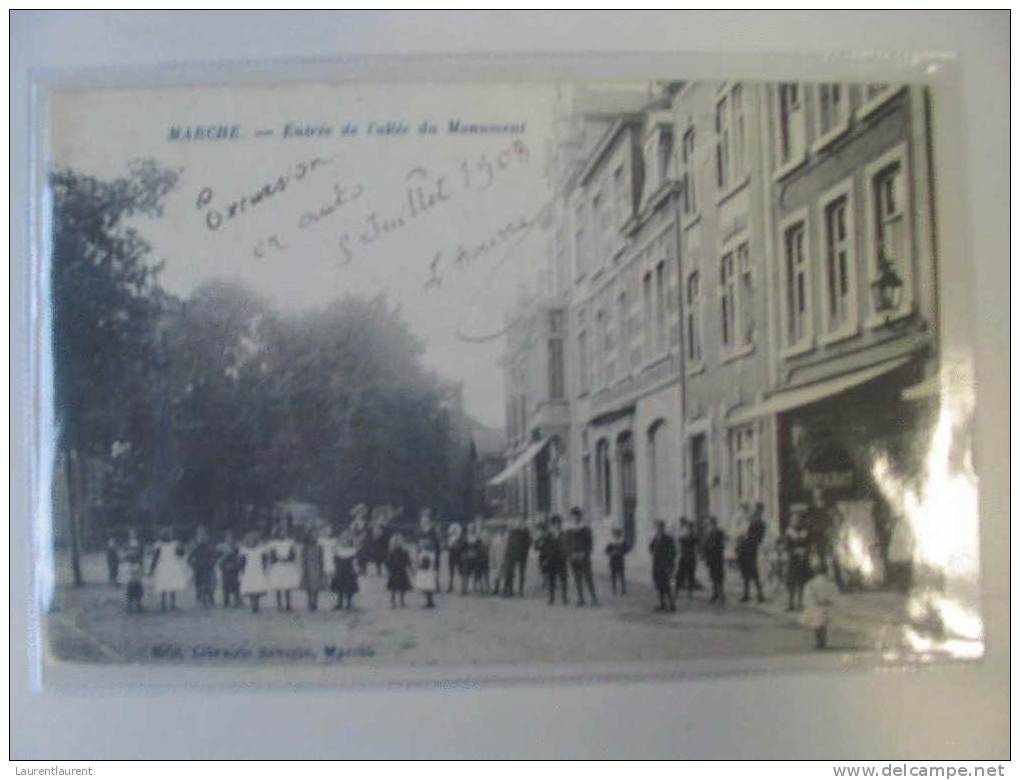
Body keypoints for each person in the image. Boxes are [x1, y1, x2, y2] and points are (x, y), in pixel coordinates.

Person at [801, 554, 839, 650]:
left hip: (816, 607)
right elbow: (834, 594)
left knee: (817, 626)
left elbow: (808, 596)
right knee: (824, 625)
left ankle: (819, 642)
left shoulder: (810, 584)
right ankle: (823, 642)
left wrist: (811, 604)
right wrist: (830, 601)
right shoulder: (830, 583)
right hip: (826, 606)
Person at [565, 507, 599, 606]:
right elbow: (566, 544)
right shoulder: (568, 530)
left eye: (577, 516)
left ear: (580, 517)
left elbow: (590, 544)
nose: (575, 518)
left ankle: (593, 598)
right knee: (577, 578)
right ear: (571, 517)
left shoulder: (585, 529)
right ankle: (580, 598)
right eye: (573, 516)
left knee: (588, 577)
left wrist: (585, 553)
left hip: (584, 557)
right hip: (573, 558)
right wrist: (570, 555)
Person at [149, 527, 188, 611]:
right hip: (168, 566)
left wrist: (152, 569)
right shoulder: (161, 545)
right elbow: (155, 558)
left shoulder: (172, 544)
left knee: (169, 585)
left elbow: (181, 554)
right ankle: (168, 604)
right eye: (165, 534)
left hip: (167, 566)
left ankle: (168, 604)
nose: (167, 536)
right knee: (167, 585)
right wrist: (152, 568)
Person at [535, 515, 569, 605]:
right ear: (552, 525)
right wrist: (545, 558)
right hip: (551, 560)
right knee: (551, 580)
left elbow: (567, 547)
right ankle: (551, 598)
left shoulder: (564, 534)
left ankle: (565, 598)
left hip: (562, 560)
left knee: (563, 579)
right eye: (555, 524)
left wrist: (566, 555)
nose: (557, 525)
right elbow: (541, 548)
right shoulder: (548, 536)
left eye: (559, 523)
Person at [738, 502, 767, 604]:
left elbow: (759, 537)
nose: (755, 512)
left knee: (754, 572)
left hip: (752, 548)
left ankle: (760, 594)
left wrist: (748, 537)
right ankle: (746, 594)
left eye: (757, 510)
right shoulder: (749, 520)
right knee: (746, 571)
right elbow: (742, 531)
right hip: (745, 547)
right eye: (754, 510)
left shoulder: (760, 523)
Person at [268, 523, 300, 611]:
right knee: (278, 585)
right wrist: (278, 558)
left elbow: (293, 555)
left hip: (288, 566)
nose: (282, 534)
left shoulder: (290, 543)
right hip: (278, 566)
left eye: (284, 532)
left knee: (287, 585)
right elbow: (271, 556)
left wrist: (288, 558)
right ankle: (279, 605)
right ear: (277, 533)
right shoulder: (273, 544)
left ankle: (288, 604)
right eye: (280, 532)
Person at [785, 512, 811, 612]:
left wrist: (805, 551)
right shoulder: (789, 531)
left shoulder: (805, 531)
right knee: (791, 581)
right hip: (793, 558)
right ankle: (790, 603)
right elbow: (787, 545)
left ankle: (800, 603)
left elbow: (808, 543)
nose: (796, 521)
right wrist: (794, 551)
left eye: (798, 519)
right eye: (794, 519)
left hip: (803, 558)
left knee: (801, 582)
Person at [649, 520, 677, 612]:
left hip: (665, 565)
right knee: (658, 585)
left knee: (666, 586)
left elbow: (673, 552)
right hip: (656, 565)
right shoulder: (656, 537)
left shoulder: (668, 538)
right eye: (657, 527)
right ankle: (662, 604)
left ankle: (672, 604)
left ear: (663, 528)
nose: (658, 529)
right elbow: (651, 547)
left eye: (660, 527)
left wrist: (670, 566)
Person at [239, 530, 270, 613]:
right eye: (249, 540)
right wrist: (242, 570)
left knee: (257, 588)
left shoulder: (260, 550)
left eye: (253, 540)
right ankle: (253, 605)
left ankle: (256, 604)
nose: (251, 541)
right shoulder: (244, 551)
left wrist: (264, 568)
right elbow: (242, 562)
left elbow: (265, 559)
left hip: (258, 570)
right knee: (250, 588)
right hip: (249, 571)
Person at [187, 526, 218, 608]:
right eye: (199, 534)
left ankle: (210, 598)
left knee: (210, 584)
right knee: (199, 584)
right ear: (196, 535)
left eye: (203, 534)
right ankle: (199, 598)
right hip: (198, 568)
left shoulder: (210, 544)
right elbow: (190, 557)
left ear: (207, 535)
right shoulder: (195, 545)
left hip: (208, 567)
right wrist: (192, 565)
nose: (202, 536)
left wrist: (213, 562)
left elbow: (214, 555)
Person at [504, 517, 533, 597]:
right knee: (510, 573)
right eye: (518, 522)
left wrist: (525, 550)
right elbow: (509, 544)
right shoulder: (512, 532)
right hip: (512, 555)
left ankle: (521, 590)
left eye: (521, 522)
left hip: (522, 556)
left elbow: (530, 542)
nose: (519, 524)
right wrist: (507, 554)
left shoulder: (526, 532)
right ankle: (510, 589)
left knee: (521, 573)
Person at [332, 529, 360, 610]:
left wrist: (356, 570)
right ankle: (339, 603)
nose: (345, 541)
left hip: (349, 571)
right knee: (339, 588)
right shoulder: (337, 550)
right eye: (343, 539)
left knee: (349, 588)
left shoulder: (352, 550)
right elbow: (335, 561)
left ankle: (349, 603)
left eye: (347, 539)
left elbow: (355, 562)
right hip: (340, 571)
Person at [299, 526, 326, 611]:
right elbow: (303, 558)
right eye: (312, 536)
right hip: (308, 567)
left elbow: (321, 559)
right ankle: (310, 602)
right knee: (309, 586)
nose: (314, 537)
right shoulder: (305, 548)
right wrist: (304, 568)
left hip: (317, 567)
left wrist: (322, 569)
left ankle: (315, 603)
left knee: (316, 586)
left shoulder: (319, 547)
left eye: (315, 536)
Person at [703, 516, 727, 605]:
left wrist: (711, 548)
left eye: (709, 523)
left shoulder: (719, 532)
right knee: (713, 576)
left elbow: (719, 545)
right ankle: (715, 593)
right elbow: (706, 545)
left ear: (713, 523)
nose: (709, 525)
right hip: (711, 559)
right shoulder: (709, 533)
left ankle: (720, 595)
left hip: (717, 558)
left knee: (718, 577)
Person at [385, 534, 413, 608]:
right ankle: (393, 600)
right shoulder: (391, 552)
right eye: (395, 542)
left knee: (402, 587)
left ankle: (402, 600)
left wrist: (411, 568)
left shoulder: (404, 552)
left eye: (399, 542)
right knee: (393, 588)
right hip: (394, 571)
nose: (397, 544)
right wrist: (388, 569)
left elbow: (408, 561)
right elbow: (388, 562)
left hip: (402, 571)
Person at [675, 517, 698, 602]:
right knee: (681, 576)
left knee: (689, 576)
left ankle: (688, 593)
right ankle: (678, 592)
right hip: (686, 558)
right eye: (688, 528)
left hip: (688, 558)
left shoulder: (690, 537)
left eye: (690, 528)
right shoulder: (686, 536)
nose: (689, 529)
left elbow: (680, 541)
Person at [217, 531, 242, 608]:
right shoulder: (221, 546)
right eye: (227, 537)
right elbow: (219, 558)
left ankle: (237, 600)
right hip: (225, 567)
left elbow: (238, 557)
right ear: (225, 538)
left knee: (236, 585)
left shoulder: (236, 546)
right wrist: (223, 563)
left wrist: (237, 565)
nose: (229, 539)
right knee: (225, 585)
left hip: (234, 568)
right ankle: (226, 601)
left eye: (231, 537)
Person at [604, 526, 630, 596]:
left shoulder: (622, 541)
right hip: (613, 560)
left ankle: (623, 590)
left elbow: (627, 549)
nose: (617, 535)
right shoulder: (611, 542)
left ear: (620, 534)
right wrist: (611, 553)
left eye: (618, 534)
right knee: (613, 576)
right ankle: (614, 589)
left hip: (620, 560)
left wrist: (621, 552)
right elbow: (606, 551)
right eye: (615, 534)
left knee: (622, 575)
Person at [414, 538, 440, 608]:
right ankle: (429, 601)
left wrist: (418, 565)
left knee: (427, 587)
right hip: (429, 571)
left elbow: (424, 563)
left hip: (426, 572)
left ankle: (430, 602)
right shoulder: (431, 553)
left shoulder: (425, 553)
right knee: (428, 587)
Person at [124, 530, 145, 613]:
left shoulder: (140, 543)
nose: (133, 534)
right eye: (131, 533)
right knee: (130, 585)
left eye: (134, 533)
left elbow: (141, 554)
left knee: (138, 584)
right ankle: (129, 604)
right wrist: (128, 556)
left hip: (137, 564)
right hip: (130, 565)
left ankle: (139, 603)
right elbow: (126, 554)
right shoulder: (127, 543)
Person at [446, 521, 467, 594]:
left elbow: (463, 546)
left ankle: (463, 588)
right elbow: (447, 547)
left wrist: (457, 547)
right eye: (453, 530)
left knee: (461, 572)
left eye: (456, 530)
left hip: (459, 555)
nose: (454, 531)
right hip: (452, 555)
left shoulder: (461, 537)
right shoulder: (450, 538)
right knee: (451, 572)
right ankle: (450, 586)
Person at [489, 526, 508, 596]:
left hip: (504, 560)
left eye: (503, 531)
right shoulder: (495, 540)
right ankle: (495, 589)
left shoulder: (506, 540)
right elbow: (492, 551)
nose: (502, 532)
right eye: (500, 531)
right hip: (496, 560)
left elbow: (508, 551)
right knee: (495, 576)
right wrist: (492, 561)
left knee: (503, 576)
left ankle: (502, 590)